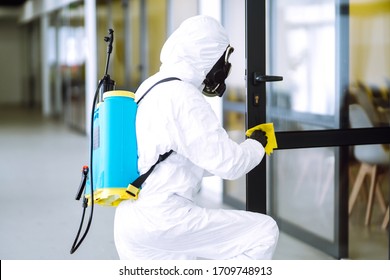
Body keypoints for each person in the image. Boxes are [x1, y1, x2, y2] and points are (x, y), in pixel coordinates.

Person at [114, 15, 279, 260]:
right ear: (206, 55)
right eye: (223, 60)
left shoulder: (151, 86)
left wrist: (232, 144)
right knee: (264, 231)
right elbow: (230, 165)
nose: (224, 69)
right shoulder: (183, 96)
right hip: (164, 220)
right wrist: (257, 144)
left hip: (131, 220)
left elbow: (179, 155)